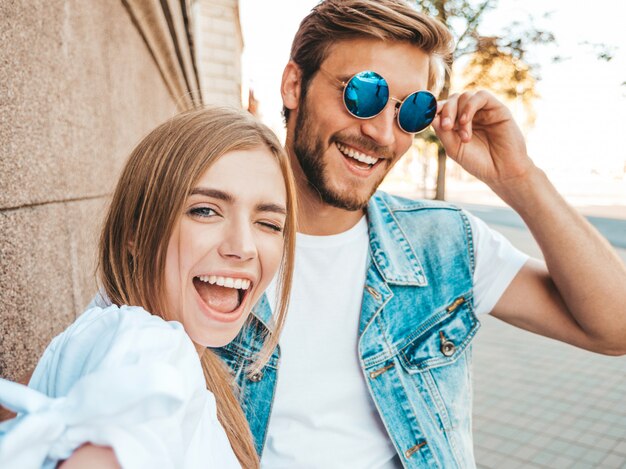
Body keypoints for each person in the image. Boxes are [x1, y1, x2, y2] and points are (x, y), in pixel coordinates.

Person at [213, 1, 626, 468]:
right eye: (363, 94)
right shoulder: (202, 246)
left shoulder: (444, 243)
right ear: (293, 85)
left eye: (412, 111)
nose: (383, 134)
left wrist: (519, 179)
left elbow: (616, 328)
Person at [0, 106, 297, 468]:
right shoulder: (153, 346)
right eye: (204, 210)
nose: (244, 246)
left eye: (268, 223)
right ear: (136, 233)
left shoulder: (131, 341)